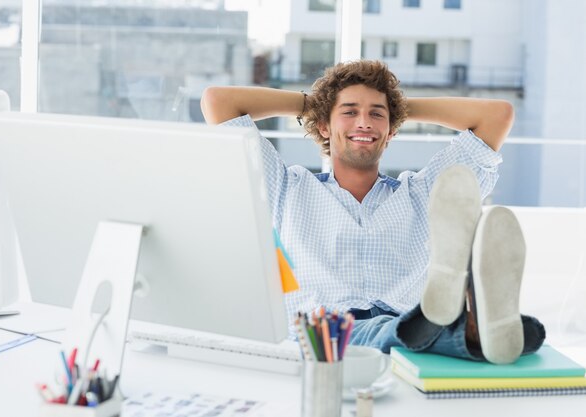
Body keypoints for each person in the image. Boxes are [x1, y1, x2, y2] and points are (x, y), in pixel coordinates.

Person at [200, 60, 545, 365]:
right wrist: (314, 103)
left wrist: (397, 107)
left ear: (391, 131)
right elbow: (219, 102)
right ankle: (474, 328)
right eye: (349, 112)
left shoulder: (422, 194)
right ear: (323, 126)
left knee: (404, 327)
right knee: (399, 328)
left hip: (404, 332)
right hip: (324, 337)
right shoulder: (286, 188)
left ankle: (469, 329)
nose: (364, 122)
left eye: (376, 115)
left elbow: (496, 116)